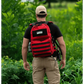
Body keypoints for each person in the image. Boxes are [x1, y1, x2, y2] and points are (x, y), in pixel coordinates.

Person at [22, 5, 66, 84]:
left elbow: (24, 46)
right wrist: (63, 59)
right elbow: (62, 44)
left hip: (37, 60)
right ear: (46, 14)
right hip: (51, 59)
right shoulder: (53, 27)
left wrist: (24, 61)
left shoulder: (30, 28)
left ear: (36, 15)